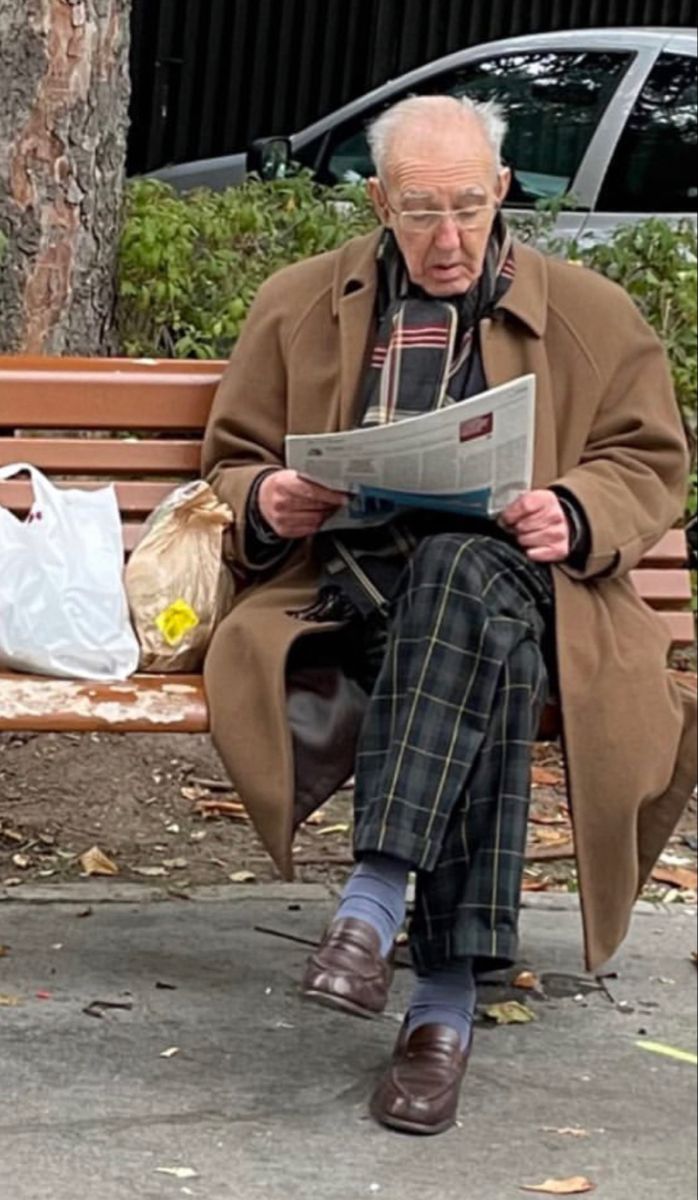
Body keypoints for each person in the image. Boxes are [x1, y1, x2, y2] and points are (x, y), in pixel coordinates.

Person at [202, 95, 696, 1135]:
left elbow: (647, 460)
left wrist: (573, 508)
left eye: (468, 207)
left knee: (465, 576)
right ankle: (442, 1008)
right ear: (377, 200)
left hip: (538, 591)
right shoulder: (300, 303)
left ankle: (372, 904)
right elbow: (235, 459)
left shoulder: (589, 312)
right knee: (468, 630)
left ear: (502, 191)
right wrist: (267, 499)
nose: (446, 238)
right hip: (349, 598)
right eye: (419, 211)